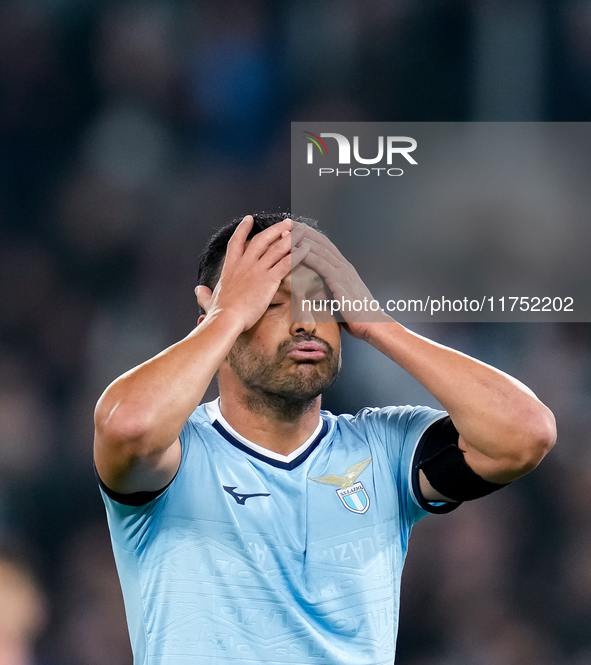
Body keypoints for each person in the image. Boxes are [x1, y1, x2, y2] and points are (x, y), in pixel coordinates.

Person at [94, 212, 556, 665]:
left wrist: (379, 324)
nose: (306, 323)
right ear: (215, 327)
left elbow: (525, 433)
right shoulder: (177, 455)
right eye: (271, 304)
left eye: (322, 304)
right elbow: (127, 426)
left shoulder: (383, 450)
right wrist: (228, 314)